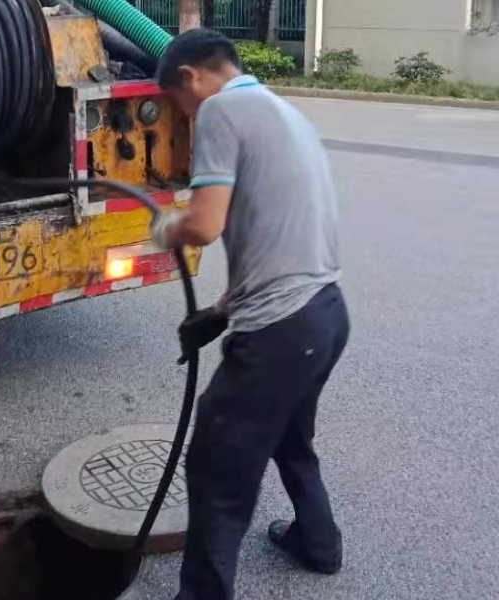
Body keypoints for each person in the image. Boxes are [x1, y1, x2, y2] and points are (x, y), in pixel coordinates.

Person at [150, 29, 350, 600]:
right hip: (327, 314)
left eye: (178, 106)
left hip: (280, 333)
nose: (185, 118)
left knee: (216, 476)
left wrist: (167, 225)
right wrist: (221, 311)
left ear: (191, 78)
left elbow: (205, 225)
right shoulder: (284, 112)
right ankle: (318, 543)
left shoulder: (221, 110)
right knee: (289, 436)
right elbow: (277, 233)